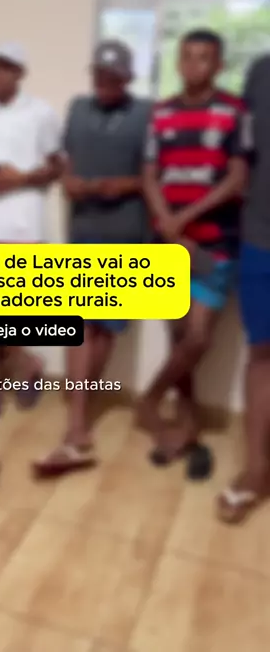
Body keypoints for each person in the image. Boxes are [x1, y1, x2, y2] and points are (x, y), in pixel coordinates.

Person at [33, 40, 152, 478]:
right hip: (83, 232)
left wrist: (120, 185)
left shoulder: (146, 113)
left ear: (128, 78)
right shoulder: (78, 108)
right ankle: (77, 423)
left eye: (112, 77)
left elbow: (153, 175)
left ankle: (81, 408)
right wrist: (68, 180)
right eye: (99, 75)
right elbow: (62, 158)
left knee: (105, 330)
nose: (104, 83)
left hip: (126, 235)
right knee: (80, 323)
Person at [138, 29, 251, 479]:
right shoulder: (161, 112)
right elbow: (149, 174)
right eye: (186, 56)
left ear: (218, 65)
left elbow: (237, 178)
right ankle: (187, 427)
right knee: (179, 337)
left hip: (212, 242)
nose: (192, 65)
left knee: (198, 337)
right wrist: (167, 222)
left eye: (203, 58)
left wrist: (184, 218)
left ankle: (149, 400)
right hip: (167, 243)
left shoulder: (234, 111)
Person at [0, 43, 62, 420]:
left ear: (20, 73)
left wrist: (20, 178)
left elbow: (56, 166)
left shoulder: (41, 113)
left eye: (7, 67)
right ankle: (25, 361)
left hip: (22, 219)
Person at [218, 54, 270, 522]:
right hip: (261, 238)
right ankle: (256, 468)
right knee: (263, 354)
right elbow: (242, 153)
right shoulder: (260, 71)